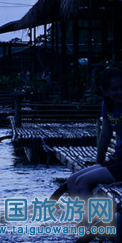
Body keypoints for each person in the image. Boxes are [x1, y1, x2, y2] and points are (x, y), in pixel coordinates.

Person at [51, 67, 122, 204]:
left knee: (82, 182)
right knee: (72, 180)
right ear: (105, 92)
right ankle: (84, 221)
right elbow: (105, 135)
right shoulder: (108, 105)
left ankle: (90, 222)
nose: (120, 92)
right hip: (118, 159)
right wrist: (99, 164)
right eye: (115, 89)